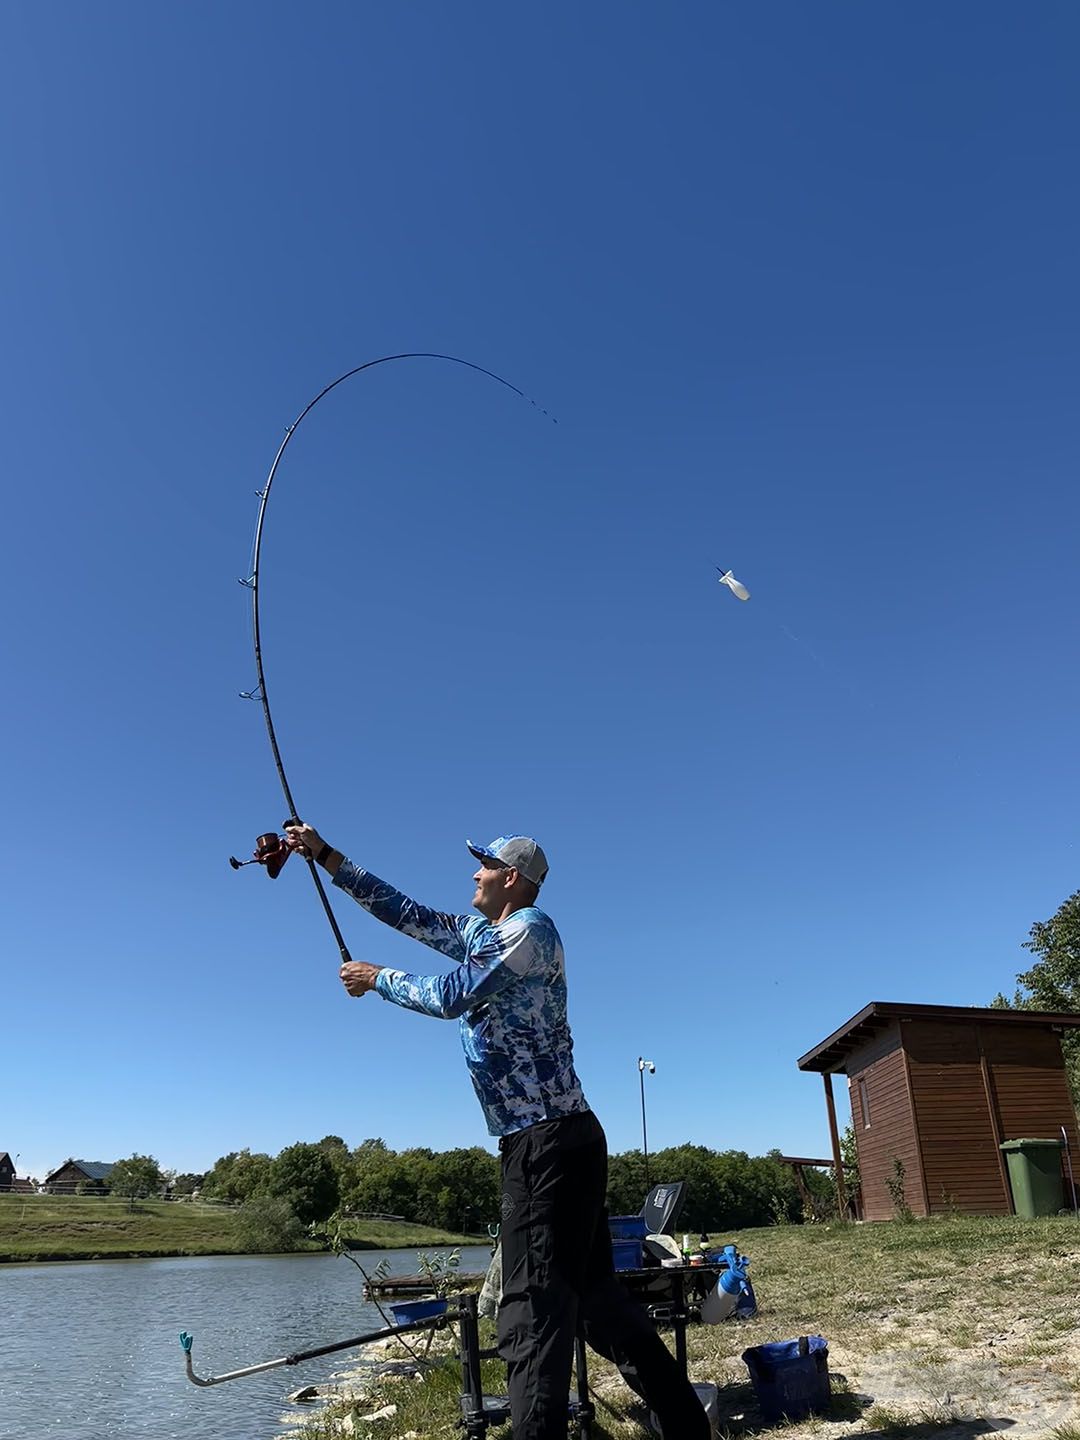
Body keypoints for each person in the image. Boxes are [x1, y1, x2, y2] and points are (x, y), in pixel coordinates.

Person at [283, 823, 709, 1440]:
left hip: (546, 1143)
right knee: (595, 1303)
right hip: (558, 1139)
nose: (473, 874)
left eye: (483, 865)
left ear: (512, 877)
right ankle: (689, 1430)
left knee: (530, 1313)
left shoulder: (529, 932)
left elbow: (456, 994)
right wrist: (324, 855)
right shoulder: (485, 932)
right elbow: (404, 911)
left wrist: (378, 979)